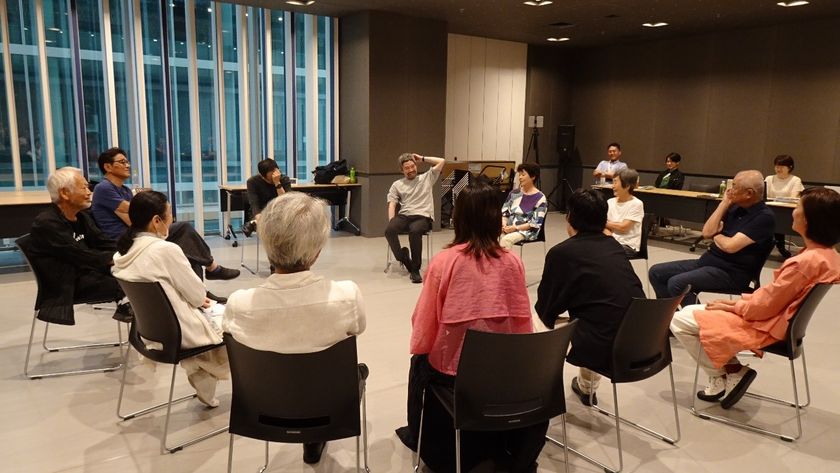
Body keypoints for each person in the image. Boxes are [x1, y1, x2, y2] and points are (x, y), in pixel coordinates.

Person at [395, 180, 543, 473]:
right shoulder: (513, 262)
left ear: (458, 218)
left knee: (418, 362)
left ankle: (423, 439)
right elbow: (523, 323)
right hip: (504, 371)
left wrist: (423, 352)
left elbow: (423, 327)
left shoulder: (444, 262)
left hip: (454, 376)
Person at [223, 192, 366, 465]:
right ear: (317, 250)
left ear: (267, 244)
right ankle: (313, 439)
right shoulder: (347, 295)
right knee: (355, 371)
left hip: (262, 410)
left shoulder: (239, 304)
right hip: (330, 409)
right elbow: (359, 327)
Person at [671, 187, 840, 409]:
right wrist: (736, 303)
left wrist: (733, 307)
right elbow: (773, 296)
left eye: (798, 207)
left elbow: (765, 306)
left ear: (809, 219)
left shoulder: (804, 262)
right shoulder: (828, 256)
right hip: (781, 322)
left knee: (679, 320)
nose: (793, 211)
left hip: (768, 326)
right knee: (688, 312)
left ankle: (729, 372)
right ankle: (729, 372)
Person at [112, 191, 228, 408]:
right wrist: (196, 298)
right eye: (170, 215)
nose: (172, 220)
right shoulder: (165, 250)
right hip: (181, 333)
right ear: (157, 221)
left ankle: (203, 375)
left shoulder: (121, 254)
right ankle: (212, 377)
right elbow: (197, 295)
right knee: (238, 321)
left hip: (148, 332)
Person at [536, 189, 645, 407]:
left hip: (603, 348)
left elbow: (547, 310)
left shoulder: (562, 253)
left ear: (569, 217)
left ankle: (533, 395)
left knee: (534, 321)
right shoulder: (614, 246)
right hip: (642, 343)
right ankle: (586, 387)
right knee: (598, 314)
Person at [91, 147, 239, 298]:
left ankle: (202, 294)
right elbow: (136, 217)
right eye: (122, 162)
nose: (127, 165)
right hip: (124, 240)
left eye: (127, 161)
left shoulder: (125, 190)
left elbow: (136, 214)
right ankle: (211, 270)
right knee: (183, 228)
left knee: (188, 251)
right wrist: (141, 210)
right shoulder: (104, 188)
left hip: (140, 233)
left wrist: (139, 210)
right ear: (108, 167)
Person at [649, 170, 775, 306]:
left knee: (677, 283)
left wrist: (716, 235)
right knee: (656, 273)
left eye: (734, 187)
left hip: (732, 272)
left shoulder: (764, 217)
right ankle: (668, 315)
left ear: (748, 193)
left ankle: (697, 318)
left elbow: (730, 246)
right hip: (708, 262)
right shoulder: (735, 207)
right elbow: (707, 232)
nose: (729, 191)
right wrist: (724, 203)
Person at [28, 167, 132, 325]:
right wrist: (121, 258)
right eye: (84, 188)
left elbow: (103, 242)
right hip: (67, 284)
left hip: (89, 272)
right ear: (64, 193)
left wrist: (130, 250)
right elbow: (81, 256)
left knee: (138, 275)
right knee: (135, 283)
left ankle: (137, 320)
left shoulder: (82, 216)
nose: (89, 192)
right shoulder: (47, 223)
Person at [385, 152, 445, 283]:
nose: (411, 170)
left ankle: (415, 270)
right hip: (405, 215)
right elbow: (392, 204)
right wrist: (392, 221)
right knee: (389, 230)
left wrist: (422, 158)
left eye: (412, 166)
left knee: (415, 231)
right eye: (407, 168)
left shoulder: (427, 177)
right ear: (402, 170)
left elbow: (442, 161)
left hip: (423, 216)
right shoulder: (397, 184)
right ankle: (403, 258)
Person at [500, 162, 548, 249]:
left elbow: (535, 223)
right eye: (519, 175)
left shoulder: (540, 198)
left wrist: (515, 228)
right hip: (509, 227)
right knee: (488, 236)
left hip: (526, 230)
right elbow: (505, 212)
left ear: (533, 177)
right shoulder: (514, 193)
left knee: (506, 240)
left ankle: (504, 258)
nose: (520, 177)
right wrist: (503, 224)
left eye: (523, 175)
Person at [765, 154, 804, 259]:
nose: (778, 169)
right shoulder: (769, 178)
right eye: (777, 166)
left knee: (779, 220)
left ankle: (780, 247)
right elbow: (765, 196)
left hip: (785, 211)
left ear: (790, 167)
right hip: (770, 208)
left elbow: (794, 198)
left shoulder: (795, 180)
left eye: (782, 166)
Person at [242, 158, 292, 237]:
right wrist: (261, 220)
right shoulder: (252, 182)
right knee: (272, 226)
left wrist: (277, 182)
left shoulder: (284, 179)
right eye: (271, 179)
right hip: (261, 212)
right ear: (262, 176)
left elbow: (286, 202)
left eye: (275, 176)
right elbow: (255, 205)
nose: (273, 180)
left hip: (280, 211)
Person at [605, 168, 644, 257]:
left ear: (627, 186)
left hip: (627, 245)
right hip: (610, 241)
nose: (612, 186)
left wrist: (604, 223)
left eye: (615, 182)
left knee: (600, 252)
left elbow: (623, 227)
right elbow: (602, 226)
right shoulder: (610, 202)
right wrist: (610, 237)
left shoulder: (636, 204)